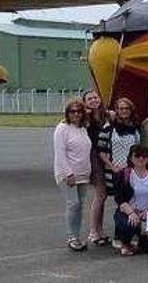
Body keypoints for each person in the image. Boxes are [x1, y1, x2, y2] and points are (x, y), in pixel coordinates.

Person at [97, 97, 141, 247]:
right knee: (121, 202)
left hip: (133, 171)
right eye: (121, 109)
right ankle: (119, 234)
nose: (124, 111)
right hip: (116, 172)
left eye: (126, 109)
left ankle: (133, 233)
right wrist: (111, 166)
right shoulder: (108, 128)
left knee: (134, 200)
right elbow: (101, 151)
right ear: (117, 110)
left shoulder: (136, 127)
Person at [54, 97, 94, 252]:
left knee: (80, 206)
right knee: (73, 204)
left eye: (79, 111)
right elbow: (60, 153)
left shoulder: (83, 128)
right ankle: (72, 237)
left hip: (84, 173)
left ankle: (77, 235)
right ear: (67, 113)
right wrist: (68, 173)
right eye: (72, 111)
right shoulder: (62, 128)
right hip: (68, 174)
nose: (76, 114)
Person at [113, 144, 148, 256]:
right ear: (131, 158)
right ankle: (126, 242)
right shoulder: (124, 174)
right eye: (137, 156)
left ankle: (143, 241)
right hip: (129, 210)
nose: (141, 159)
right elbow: (119, 198)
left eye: (144, 156)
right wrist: (131, 213)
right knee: (129, 223)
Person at [81, 91, 111, 247]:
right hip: (95, 158)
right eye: (89, 98)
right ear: (85, 102)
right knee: (100, 195)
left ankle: (100, 229)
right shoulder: (85, 118)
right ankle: (93, 231)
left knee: (103, 196)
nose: (93, 100)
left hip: (106, 155)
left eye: (95, 97)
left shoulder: (107, 116)